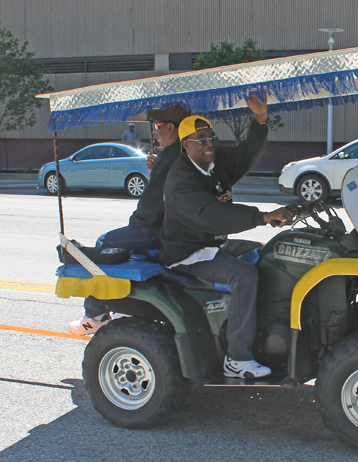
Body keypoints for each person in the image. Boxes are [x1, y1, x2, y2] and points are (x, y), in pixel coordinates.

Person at [160, 93, 294, 379]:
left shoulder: (215, 163)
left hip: (215, 243)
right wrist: (263, 216)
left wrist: (259, 119)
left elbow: (247, 153)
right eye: (201, 139)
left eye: (211, 137)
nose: (209, 144)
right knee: (244, 275)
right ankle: (237, 358)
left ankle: (266, 326)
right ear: (185, 145)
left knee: (268, 254)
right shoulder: (180, 180)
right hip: (189, 252)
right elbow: (212, 215)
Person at [68, 104, 190, 335]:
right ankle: (124, 307)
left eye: (159, 127)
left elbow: (151, 207)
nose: (156, 132)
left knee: (106, 243)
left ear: (172, 129)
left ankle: (96, 314)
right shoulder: (183, 153)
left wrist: (136, 221)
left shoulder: (172, 155)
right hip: (177, 228)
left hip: (161, 229)